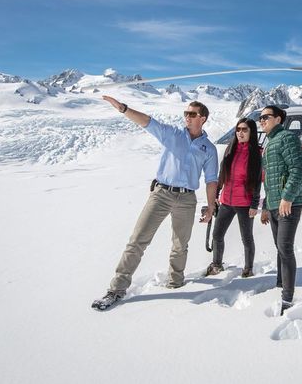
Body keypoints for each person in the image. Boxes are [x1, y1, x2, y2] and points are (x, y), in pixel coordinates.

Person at [92, 98, 219, 311]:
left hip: (187, 198)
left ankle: (176, 283)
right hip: (162, 194)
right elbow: (148, 122)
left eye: (192, 114)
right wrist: (124, 109)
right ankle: (116, 289)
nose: (187, 116)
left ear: (203, 118)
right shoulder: (173, 134)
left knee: (181, 245)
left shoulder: (209, 148)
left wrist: (210, 207)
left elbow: (211, 179)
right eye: (185, 113)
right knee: (138, 240)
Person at [258, 105, 302, 315]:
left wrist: (287, 197)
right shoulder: (270, 143)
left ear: (278, 119)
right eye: (260, 118)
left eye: (266, 117)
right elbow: (271, 178)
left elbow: (298, 168)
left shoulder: (287, 137)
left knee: (285, 248)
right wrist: (266, 206)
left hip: (289, 204)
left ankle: (287, 297)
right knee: (279, 247)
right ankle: (280, 283)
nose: (262, 120)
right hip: (275, 204)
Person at [204, 118, 262, 278]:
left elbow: (257, 181)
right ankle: (216, 264)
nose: (240, 133)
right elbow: (222, 174)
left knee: (247, 238)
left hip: (245, 203)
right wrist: (216, 194)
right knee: (217, 235)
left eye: (244, 130)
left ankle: (248, 269)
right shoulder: (231, 149)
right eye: (238, 129)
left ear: (251, 132)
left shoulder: (256, 153)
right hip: (226, 202)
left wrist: (254, 204)